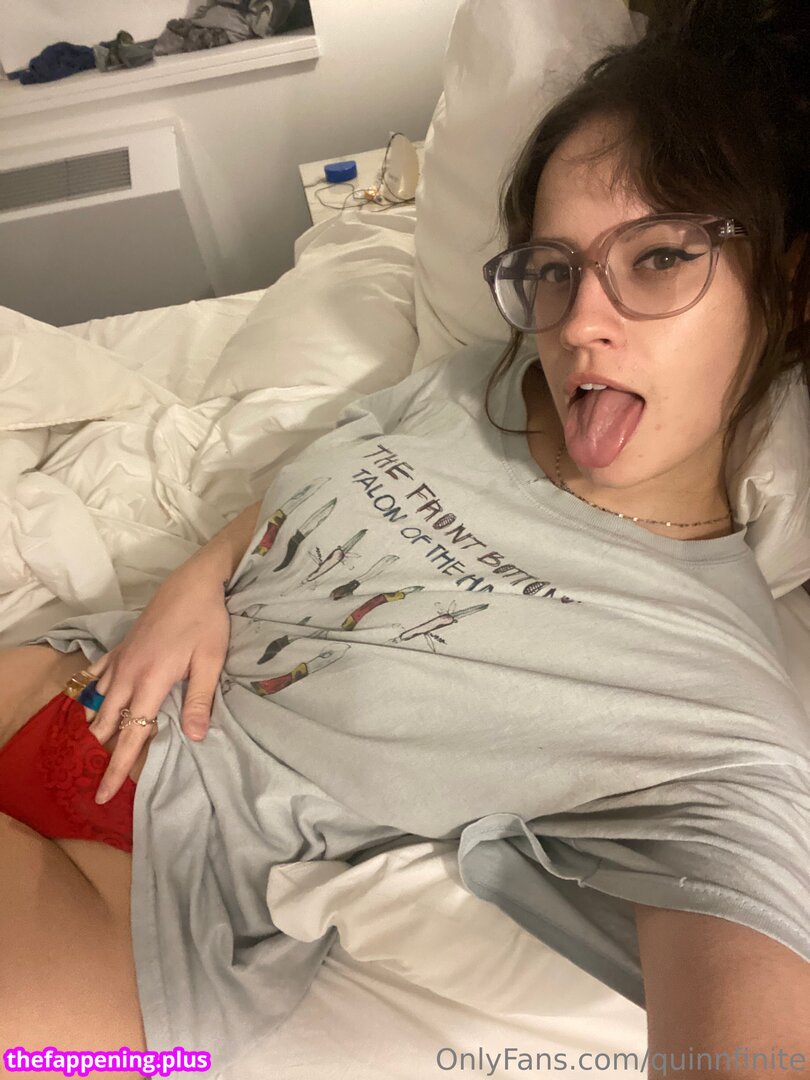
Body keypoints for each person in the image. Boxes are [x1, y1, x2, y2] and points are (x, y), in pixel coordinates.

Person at [1, 1, 809, 1075]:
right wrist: (198, 580)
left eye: (658, 258)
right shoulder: (487, 386)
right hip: (67, 672)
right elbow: (323, 468)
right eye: (555, 269)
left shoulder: (718, 710)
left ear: (788, 287)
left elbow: (751, 1018)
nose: (579, 322)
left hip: (144, 894)